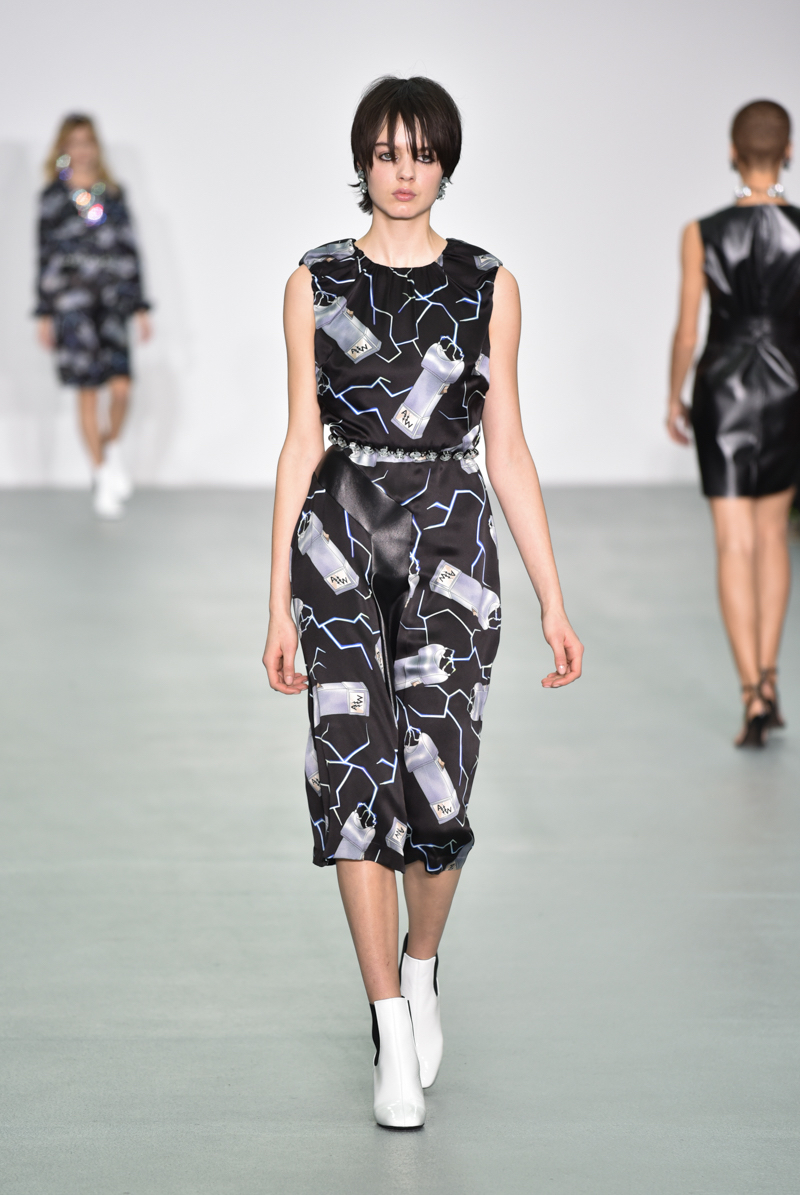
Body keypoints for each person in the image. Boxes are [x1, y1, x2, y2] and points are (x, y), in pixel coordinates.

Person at [262, 76, 583, 1128]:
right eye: (386, 152)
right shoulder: (314, 280)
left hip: (452, 536)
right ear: (362, 160)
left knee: (437, 804)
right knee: (354, 783)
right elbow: (300, 442)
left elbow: (509, 446)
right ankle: (389, 1029)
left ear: (446, 161)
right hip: (340, 537)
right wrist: (275, 602)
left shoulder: (488, 283)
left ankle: (422, 960)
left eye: (423, 152)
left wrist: (553, 597)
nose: (404, 172)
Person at [667, 100, 800, 749]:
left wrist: (674, 395)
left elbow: (688, 330)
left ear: (732, 152)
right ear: (789, 151)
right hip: (789, 388)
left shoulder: (702, 231)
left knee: (733, 543)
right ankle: (770, 680)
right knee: (773, 537)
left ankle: (750, 691)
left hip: (722, 387)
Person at [35, 114, 151, 519]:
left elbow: (129, 249)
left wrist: (140, 305)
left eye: (87, 141)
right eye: (74, 142)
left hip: (113, 301)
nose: (81, 149)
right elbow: (45, 255)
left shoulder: (113, 193)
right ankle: (101, 474)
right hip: (72, 304)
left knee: (120, 389)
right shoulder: (53, 197)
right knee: (87, 390)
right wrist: (44, 312)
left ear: (95, 146)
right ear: (63, 148)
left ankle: (110, 446)